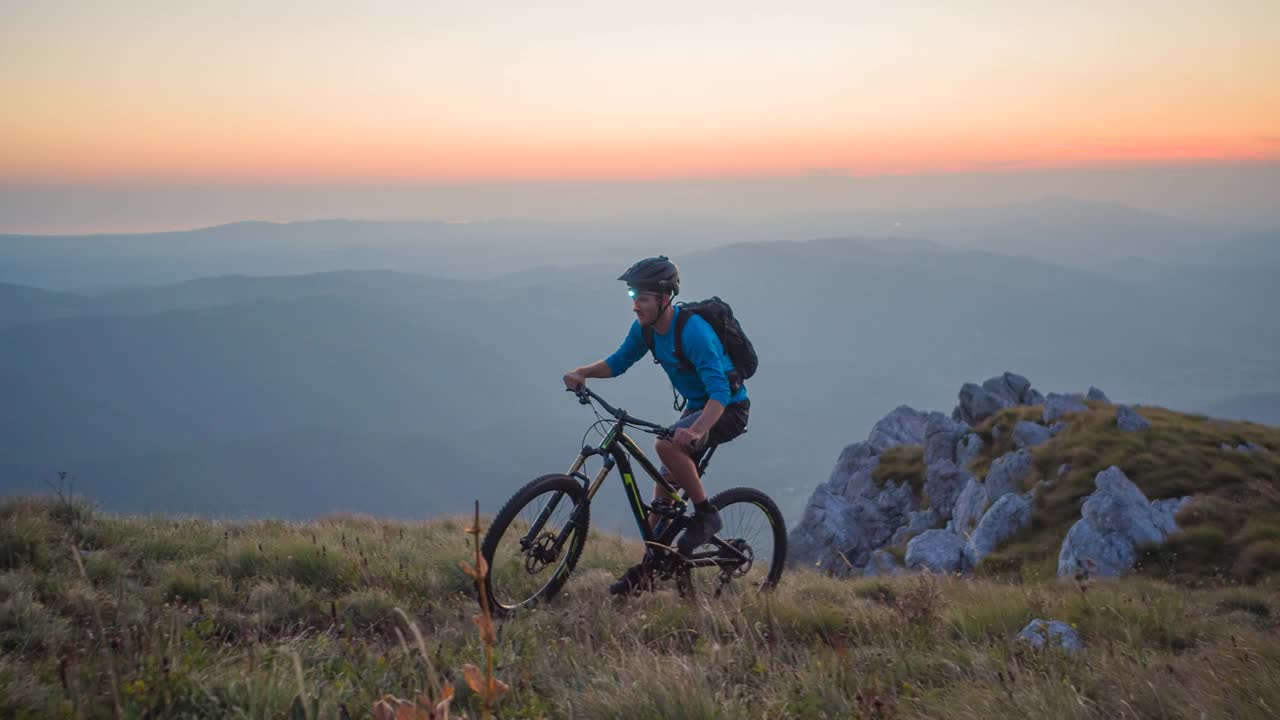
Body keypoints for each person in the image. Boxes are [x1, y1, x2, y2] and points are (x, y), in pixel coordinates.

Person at [562, 255, 750, 595]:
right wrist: (583, 372)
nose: (635, 306)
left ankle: (707, 514)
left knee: (666, 445)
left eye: (642, 298)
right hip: (697, 406)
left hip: (727, 410)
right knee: (662, 489)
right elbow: (618, 362)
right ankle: (649, 569)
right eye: (632, 297)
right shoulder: (645, 330)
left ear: (665, 298)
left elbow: (720, 393)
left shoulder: (693, 332)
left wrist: (695, 431)